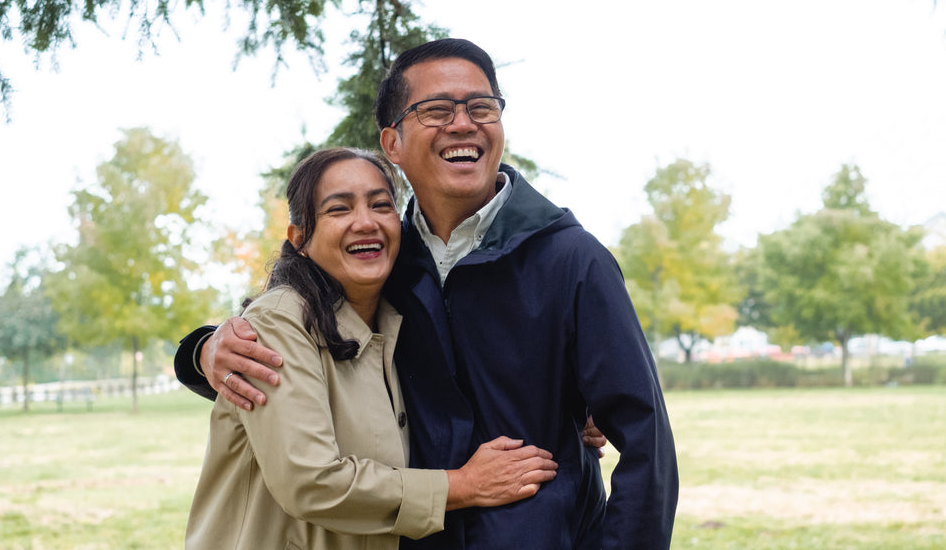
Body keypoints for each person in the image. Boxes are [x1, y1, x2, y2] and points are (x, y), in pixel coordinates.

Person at [177, 39, 680, 548]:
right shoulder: (382, 262)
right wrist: (202, 351)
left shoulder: (573, 260)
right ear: (392, 144)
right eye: (437, 110)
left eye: (481, 107)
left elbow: (646, 443)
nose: (463, 123)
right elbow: (291, 343)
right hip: (414, 536)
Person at [186, 147, 558, 549]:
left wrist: (574, 403)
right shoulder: (280, 323)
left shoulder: (399, 319)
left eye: (381, 205)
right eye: (339, 210)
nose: (365, 222)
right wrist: (463, 485)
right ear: (299, 239)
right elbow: (311, 482)